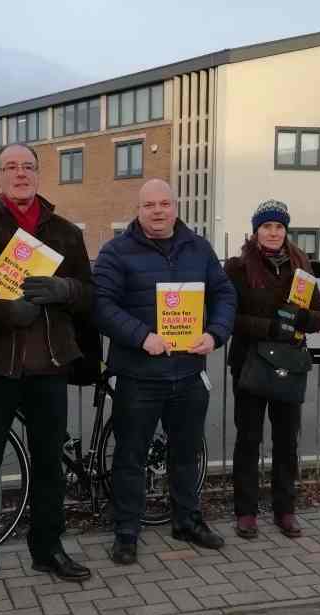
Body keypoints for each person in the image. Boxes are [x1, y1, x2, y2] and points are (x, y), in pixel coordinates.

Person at [0, 142, 94, 597]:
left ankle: (48, 548)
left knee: (50, 463)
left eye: (27, 167)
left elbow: (90, 296)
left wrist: (63, 288)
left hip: (49, 364)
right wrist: (3, 314)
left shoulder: (67, 233)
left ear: (38, 173)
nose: (19, 174)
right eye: (9, 167)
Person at [93, 178, 237, 565]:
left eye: (164, 204)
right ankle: (126, 530)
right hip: (139, 375)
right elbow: (101, 305)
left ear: (176, 206)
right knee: (129, 457)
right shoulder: (116, 252)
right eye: (148, 205)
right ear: (138, 210)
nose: (157, 211)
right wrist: (142, 336)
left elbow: (224, 294)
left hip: (189, 373)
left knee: (186, 454)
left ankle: (187, 520)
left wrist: (215, 332)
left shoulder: (199, 248)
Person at [224, 200, 320, 539]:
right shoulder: (238, 267)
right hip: (250, 365)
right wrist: (270, 328)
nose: (273, 232)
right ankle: (247, 512)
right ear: (256, 231)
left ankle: (285, 509)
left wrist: (302, 319)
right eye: (266, 226)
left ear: (286, 230)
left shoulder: (302, 266)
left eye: (279, 227)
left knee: (286, 441)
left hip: (288, 365)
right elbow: (230, 318)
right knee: (248, 440)